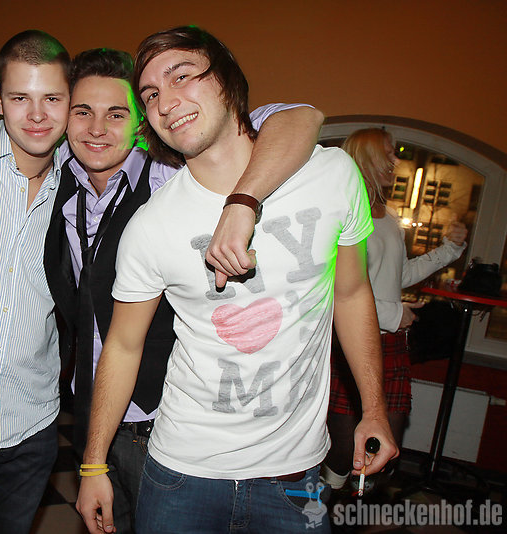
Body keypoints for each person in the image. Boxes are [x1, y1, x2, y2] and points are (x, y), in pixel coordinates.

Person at [0, 30, 318, 534]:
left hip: (42, 427)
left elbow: (293, 118)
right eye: (19, 99)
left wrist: (244, 199)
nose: (38, 115)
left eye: (53, 99)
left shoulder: (94, 175)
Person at [75, 26, 399, 534]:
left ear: (227, 81)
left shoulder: (333, 176)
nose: (166, 102)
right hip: (180, 474)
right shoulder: (151, 225)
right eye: (151, 95)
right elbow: (121, 345)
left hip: (297, 477)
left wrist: (374, 409)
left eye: (182, 76)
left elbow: (353, 293)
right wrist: (94, 464)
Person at [47, 47, 323, 533]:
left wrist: (243, 201)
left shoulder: (174, 176)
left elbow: (295, 118)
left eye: (117, 114)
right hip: (92, 412)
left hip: (163, 421)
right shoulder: (55, 180)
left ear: (142, 122)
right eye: (82, 112)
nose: (97, 128)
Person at [321, 128, 467, 492]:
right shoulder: (340, 210)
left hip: (391, 343)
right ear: (365, 157)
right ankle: (322, 508)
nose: (396, 160)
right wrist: (391, 313)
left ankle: (353, 507)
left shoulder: (389, 216)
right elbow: (332, 285)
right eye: (388, 153)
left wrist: (449, 250)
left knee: (384, 448)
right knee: (342, 452)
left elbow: (399, 276)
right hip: (350, 341)